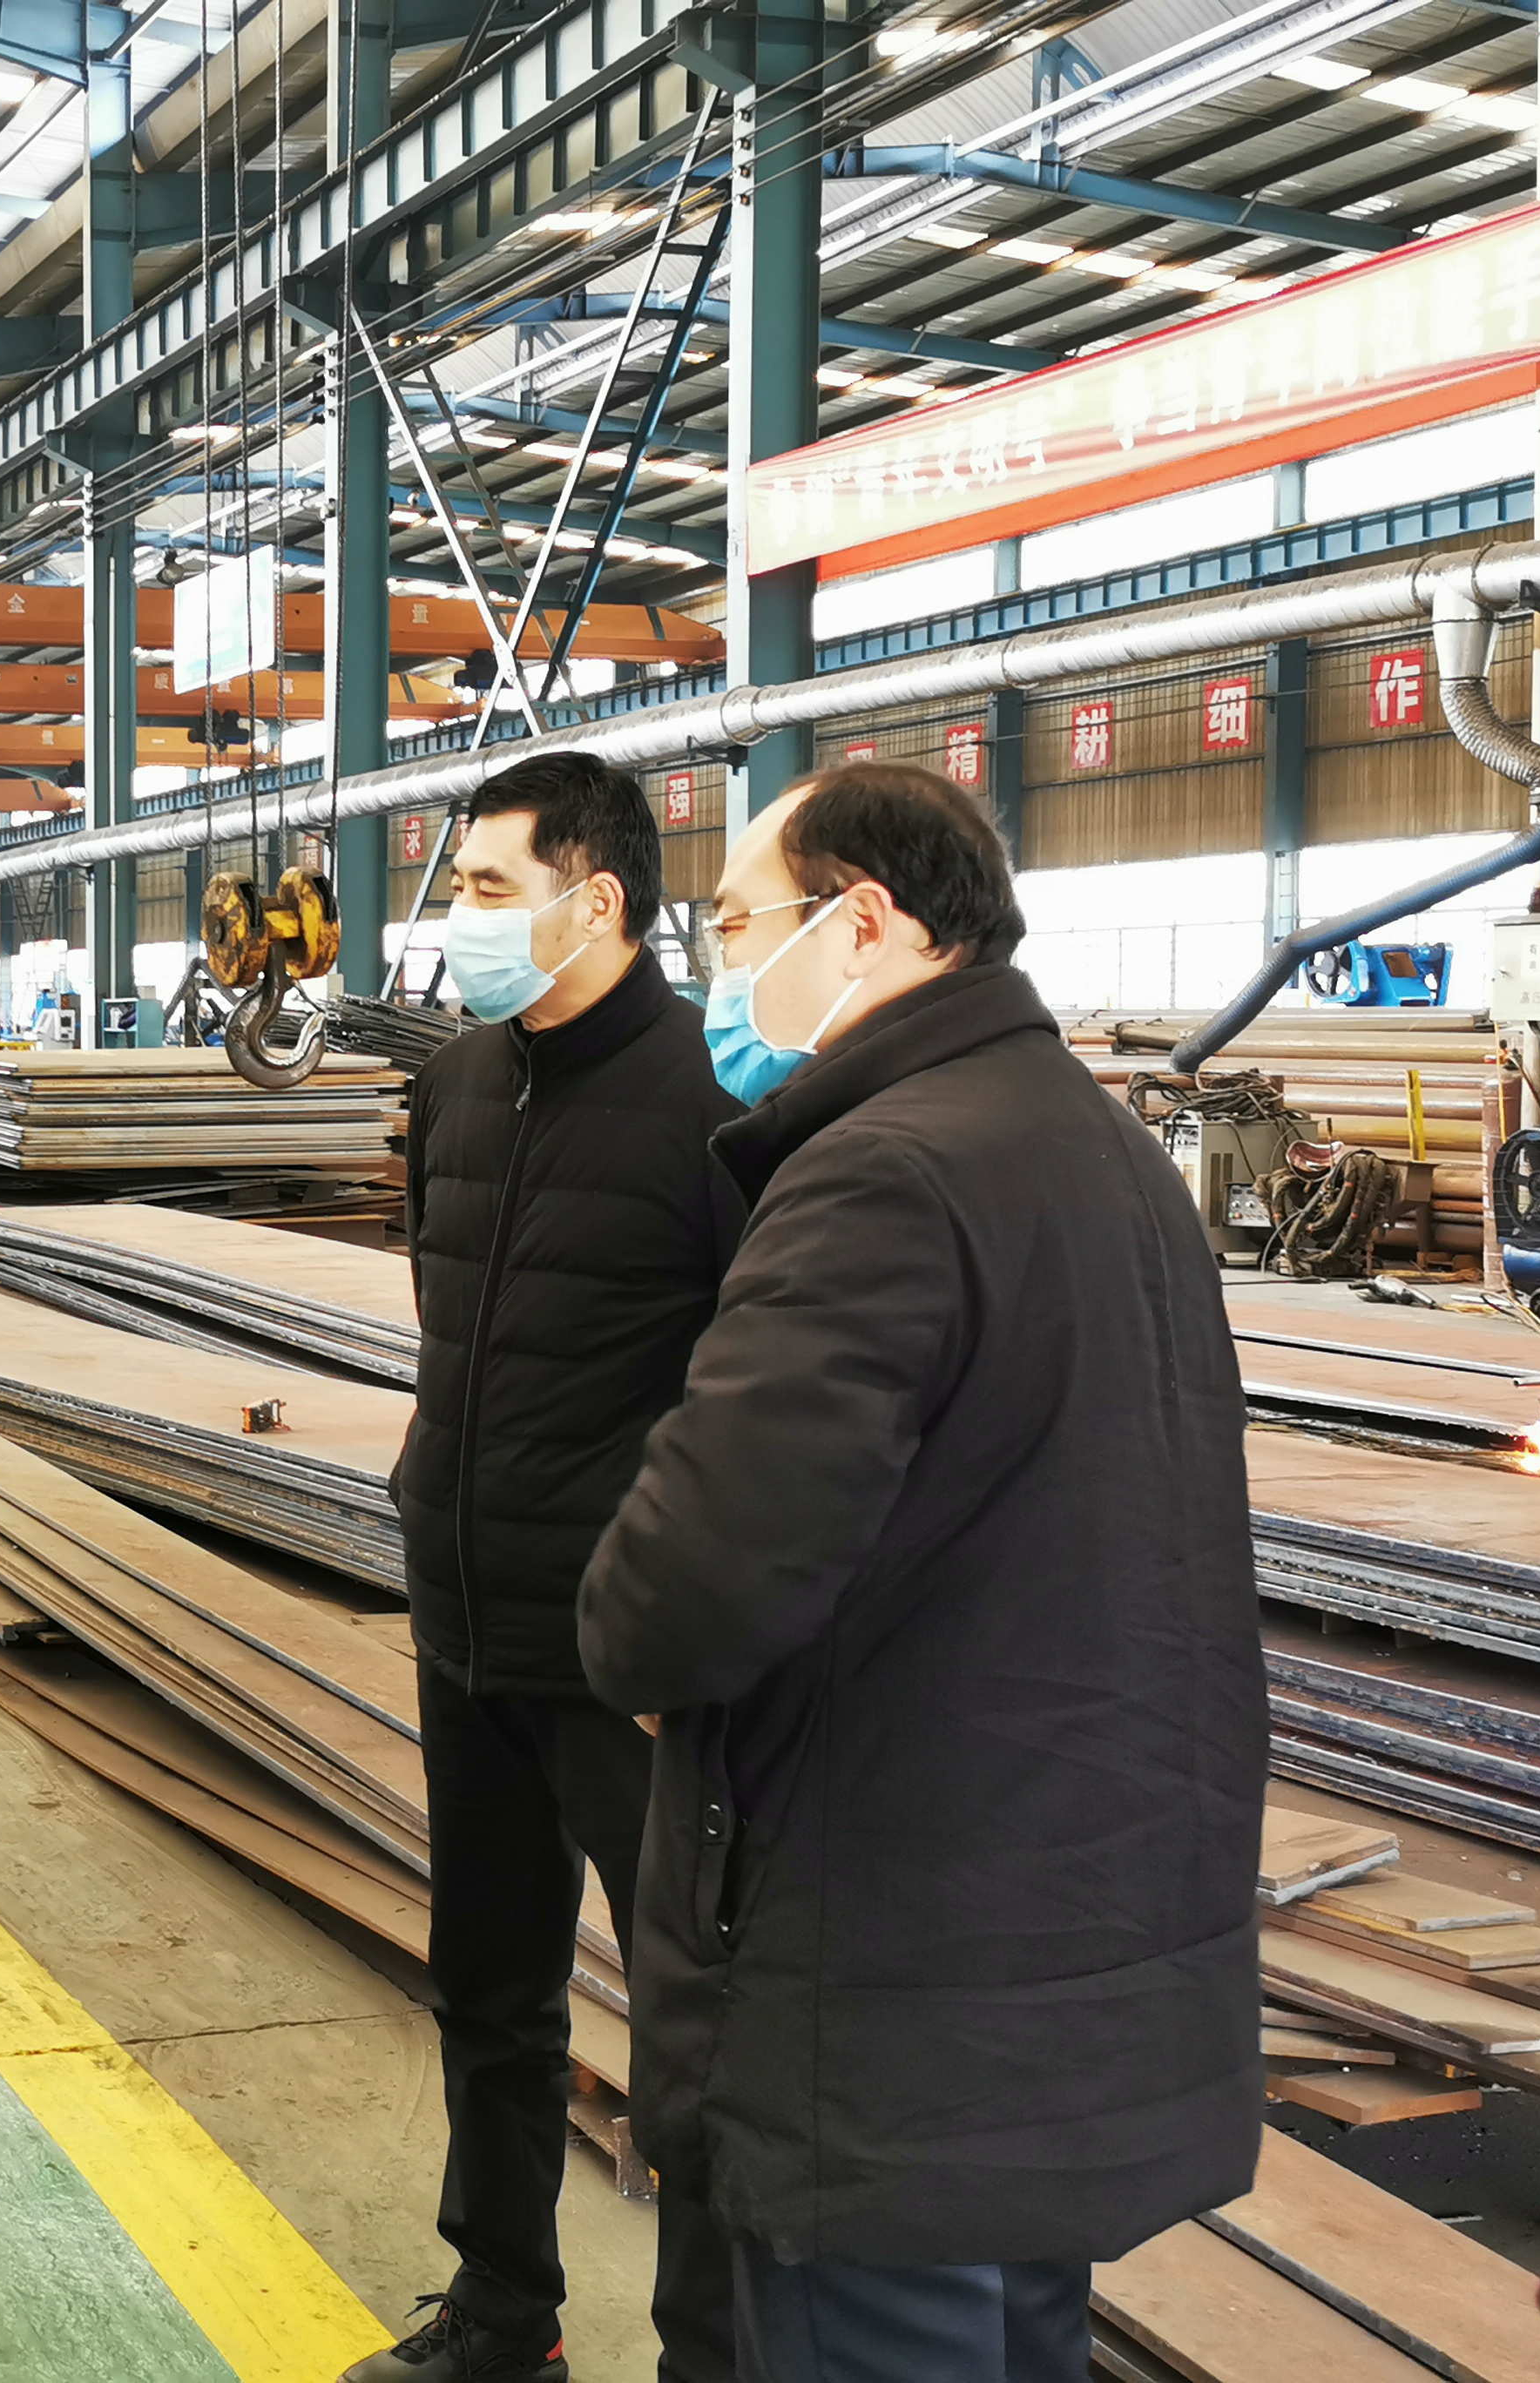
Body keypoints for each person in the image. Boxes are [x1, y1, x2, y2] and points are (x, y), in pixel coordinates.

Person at [579, 761, 1264, 2383]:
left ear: (862, 921)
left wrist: (630, 1648)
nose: (723, 967)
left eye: (737, 924)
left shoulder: (880, 1169)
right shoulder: (1100, 1148)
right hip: (1060, 1934)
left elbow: (701, 1571)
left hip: (892, 1974)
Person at [354, 753, 740, 2383]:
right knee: (488, 1988)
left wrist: (688, 1638)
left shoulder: (717, 1103)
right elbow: (455, 1337)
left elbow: (755, 1405)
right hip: (468, 1624)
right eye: (462, 887)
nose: (462, 917)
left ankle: (714, 2356)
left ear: (598, 902)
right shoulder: (457, 1083)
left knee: (694, 2030)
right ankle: (505, 2310)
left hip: (623, 1660)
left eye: (488, 888)